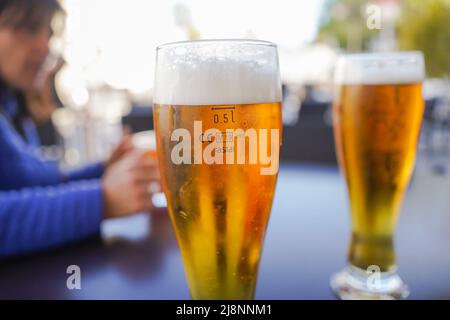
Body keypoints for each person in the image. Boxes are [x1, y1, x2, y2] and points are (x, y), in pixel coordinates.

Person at [0, 0, 160, 257]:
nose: (44, 47)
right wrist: (103, 200)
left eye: (48, 34)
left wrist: (103, 170)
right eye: (30, 29)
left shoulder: (11, 107)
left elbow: (31, 180)